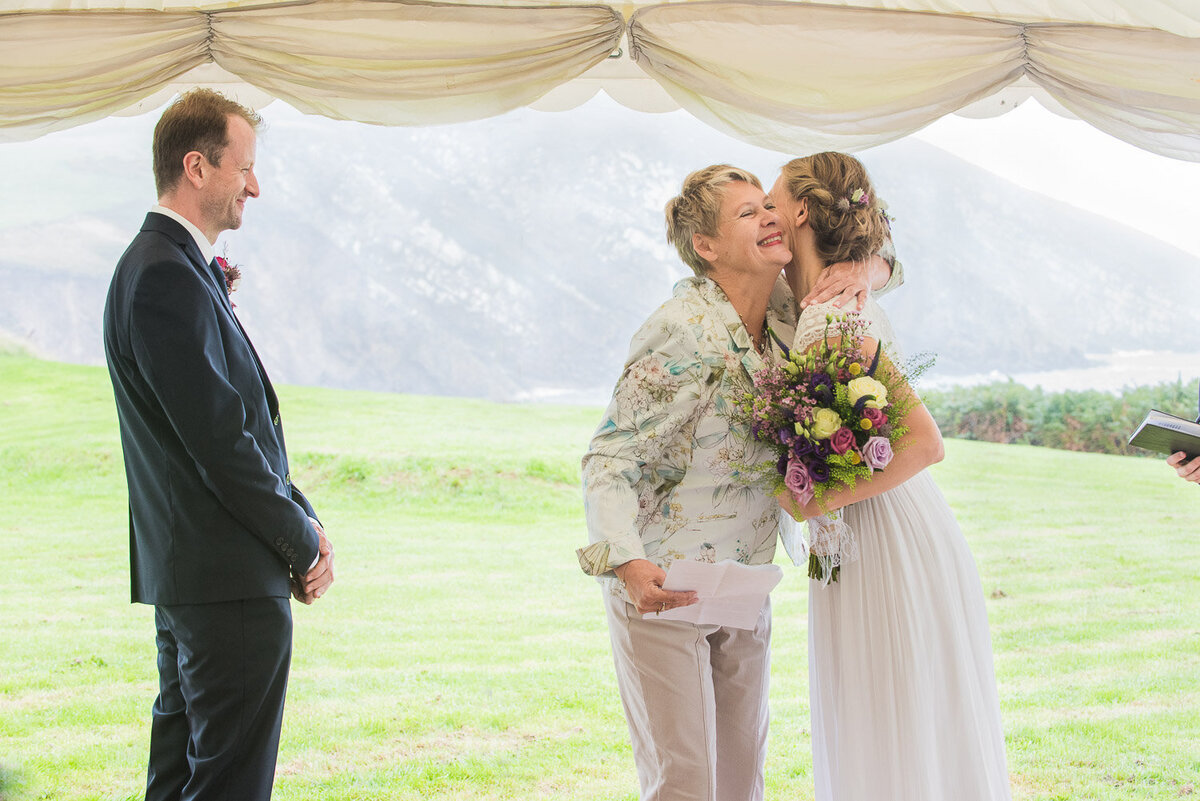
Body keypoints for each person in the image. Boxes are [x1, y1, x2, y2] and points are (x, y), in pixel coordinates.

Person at [576, 162, 895, 801]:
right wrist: (630, 566)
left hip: (744, 583)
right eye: (747, 214)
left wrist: (868, 268)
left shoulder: (788, 315)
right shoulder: (680, 330)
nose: (769, 219)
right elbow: (610, 459)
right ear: (706, 247)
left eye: (767, 208)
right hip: (664, 582)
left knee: (742, 776)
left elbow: (883, 265)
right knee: (686, 780)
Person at [102, 88, 334, 801]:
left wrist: (304, 514)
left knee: (179, 779)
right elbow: (221, 444)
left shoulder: (163, 266)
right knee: (229, 784)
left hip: (196, 579)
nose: (255, 186)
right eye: (245, 168)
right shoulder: (166, 276)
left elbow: (233, 426)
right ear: (197, 167)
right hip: (224, 580)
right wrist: (301, 540)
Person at [769, 151, 1010, 800]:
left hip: (883, 537)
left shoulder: (835, 312)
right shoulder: (833, 296)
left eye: (771, 194)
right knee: (895, 728)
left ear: (798, 210)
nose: (765, 207)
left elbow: (924, 443)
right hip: (876, 534)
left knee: (888, 726)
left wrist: (809, 496)